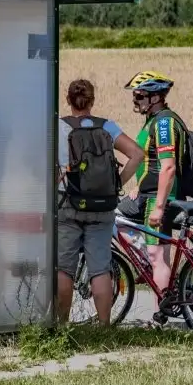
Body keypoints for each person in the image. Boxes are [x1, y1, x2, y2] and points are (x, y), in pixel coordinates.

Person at [56, 79, 144, 326]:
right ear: (92, 101)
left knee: (64, 268)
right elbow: (137, 154)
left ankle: (62, 326)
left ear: (68, 100)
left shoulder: (58, 127)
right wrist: (117, 184)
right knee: (100, 269)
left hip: (68, 203)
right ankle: (104, 328)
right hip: (102, 206)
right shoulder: (107, 126)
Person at [116, 70, 187, 295]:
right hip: (146, 193)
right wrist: (138, 184)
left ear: (155, 97)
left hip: (159, 197)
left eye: (139, 96)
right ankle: (147, 261)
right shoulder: (153, 120)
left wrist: (158, 207)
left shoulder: (163, 123)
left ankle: (161, 318)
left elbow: (168, 166)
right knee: (114, 216)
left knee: (159, 258)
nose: (135, 100)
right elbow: (149, 160)